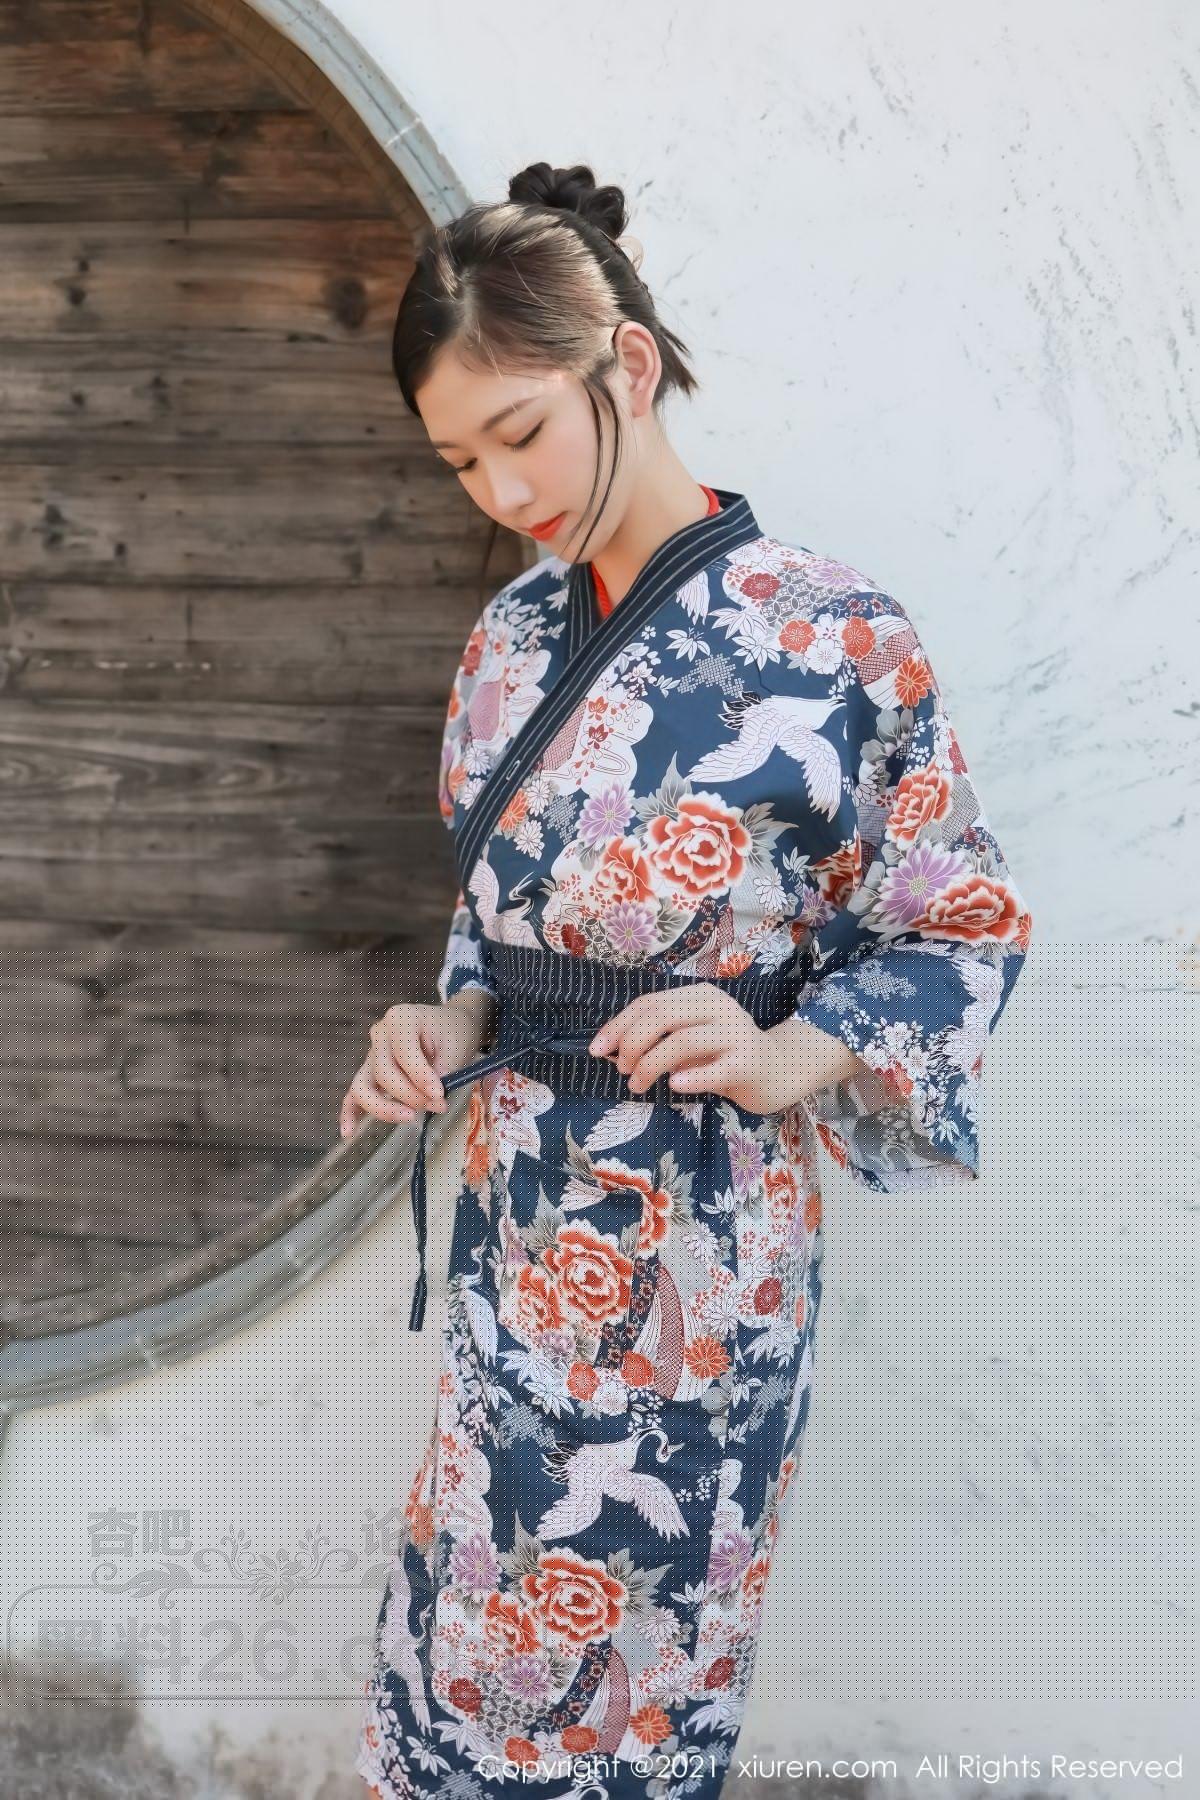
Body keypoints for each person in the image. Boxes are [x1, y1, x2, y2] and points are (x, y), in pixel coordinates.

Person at [349, 161, 1033, 1800]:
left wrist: (794, 1050)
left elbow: (964, 923)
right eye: (460, 461)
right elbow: (494, 934)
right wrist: (445, 1022)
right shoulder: (506, 645)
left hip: (699, 1256)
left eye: (520, 431)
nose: (501, 488)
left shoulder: (837, 638)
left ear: (630, 366)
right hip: (520, 1225)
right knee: (466, 1629)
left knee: (637, 1672)